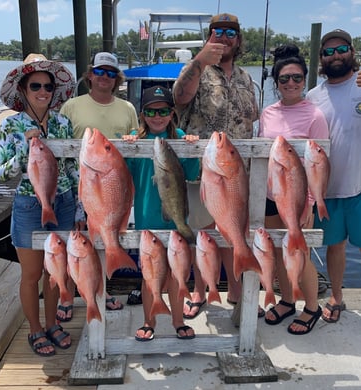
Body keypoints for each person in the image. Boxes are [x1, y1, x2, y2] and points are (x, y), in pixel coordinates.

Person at [173, 13, 260, 319]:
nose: (224, 37)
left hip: (238, 174)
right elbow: (179, 97)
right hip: (203, 171)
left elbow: (254, 115)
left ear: (239, 40)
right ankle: (199, 290)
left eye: (230, 32)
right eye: (217, 31)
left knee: (233, 229)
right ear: (209, 36)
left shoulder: (246, 77)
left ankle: (235, 291)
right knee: (204, 233)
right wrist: (198, 62)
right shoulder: (196, 69)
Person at [0, 53, 81, 356]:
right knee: (31, 275)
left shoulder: (62, 122)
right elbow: (2, 172)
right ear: (23, 89)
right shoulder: (11, 126)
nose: (43, 91)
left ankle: (53, 323)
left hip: (66, 203)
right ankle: (34, 329)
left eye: (48, 86)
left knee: (55, 272)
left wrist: (80, 207)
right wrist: (23, 150)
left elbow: (72, 167)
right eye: (36, 86)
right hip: (30, 205)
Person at [307, 29, 361, 337]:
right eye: (329, 51)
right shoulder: (312, 96)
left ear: (352, 51)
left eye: (342, 49)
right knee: (334, 248)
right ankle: (336, 296)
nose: (336, 55)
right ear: (322, 59)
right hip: (328, 188)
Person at [59, 52, 139, 321]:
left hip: (111, 188)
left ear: (117, 79)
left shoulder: (127, 108)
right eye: (100, 72)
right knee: (75, 241)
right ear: (90, 75)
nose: (105, 77)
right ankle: (66, 295)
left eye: (111, 73)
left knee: (103, 240)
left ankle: (102, 292)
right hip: (75, 185)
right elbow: (58, 140)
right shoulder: (71, 106)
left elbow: (137, 142)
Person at [258, 44, 329, 334]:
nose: (291, 84)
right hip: (269, 196)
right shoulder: (267, 113)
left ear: (305, 80)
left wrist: (310, 202)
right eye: (284, 79)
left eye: (297, 78)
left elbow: (319, 165)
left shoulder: (315, 116)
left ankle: (312, 307)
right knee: (276, 250)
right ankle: (287, 300)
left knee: (301, 252)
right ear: (276, 83)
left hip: (298, 197)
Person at [122, 85, 200, 341]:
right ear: (142, 114)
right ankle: (149, 321)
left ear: (172, 112)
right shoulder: (135, 137)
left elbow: (190, 174)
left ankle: (178, 321)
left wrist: (191, 149)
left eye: (164, 110)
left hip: (177, 220)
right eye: (151, 111)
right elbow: (124, 174)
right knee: (150, 277)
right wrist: (127, 148)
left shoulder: (179, 136)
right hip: (146, 219)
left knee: (177, 276)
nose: (157, 116)